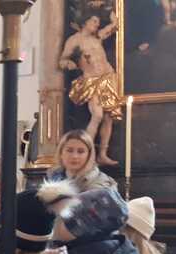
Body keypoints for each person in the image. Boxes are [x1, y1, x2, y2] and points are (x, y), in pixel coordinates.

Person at [59, 13, 122, 166]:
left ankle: (102, 154)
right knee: (97, 115)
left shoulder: (97, 37)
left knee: (108, 117)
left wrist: (113, 18)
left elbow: (113, 27)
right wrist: (69, 64)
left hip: (107, 78)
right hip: (91, 80)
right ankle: (87, 152)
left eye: (97, 22)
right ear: (84, 22)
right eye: (94, 21)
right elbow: (62, 60)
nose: (96, 24)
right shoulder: (74, 40)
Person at [47, 130, 118, 192]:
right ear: (61, 153)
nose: (74, 156)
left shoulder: (101, 184)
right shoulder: (53, 177)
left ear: (89, 155)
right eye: (69, 150)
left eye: (81, 152)